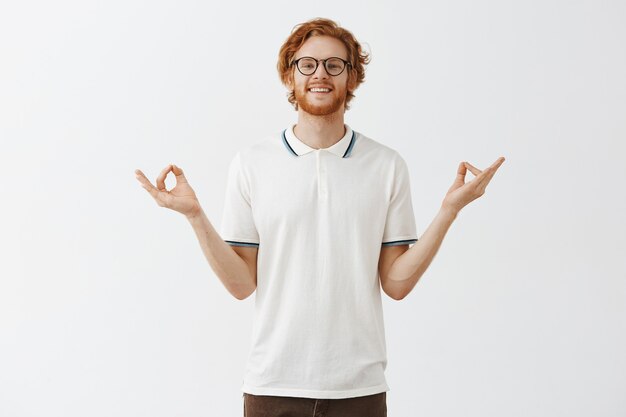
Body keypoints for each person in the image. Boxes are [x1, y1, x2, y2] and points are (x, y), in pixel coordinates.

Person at [135, 17, 505, 417]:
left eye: (334, 64)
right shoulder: (251, 164)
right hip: (272, 386)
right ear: (289, 76)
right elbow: (242, 284)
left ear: (351, 77)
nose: (320, 74)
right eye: (307, 64)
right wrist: (195, 216)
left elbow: (396, 283)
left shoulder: (385, 165)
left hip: (359, 390)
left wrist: (449, 211)